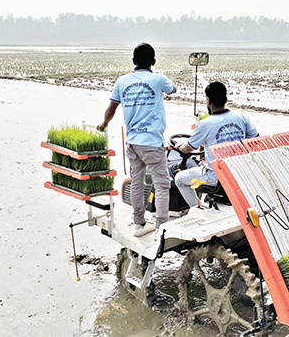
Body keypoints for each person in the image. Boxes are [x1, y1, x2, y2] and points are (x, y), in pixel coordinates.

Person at [97, 43, 177, 237]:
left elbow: (111, 110)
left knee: (137, 183)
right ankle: (162, 226)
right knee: (162, 184)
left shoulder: (122, 81)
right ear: (154, 62)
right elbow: (173, 89)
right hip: (152, 142)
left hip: (132, 142)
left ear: (133, 61)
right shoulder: (157, 79)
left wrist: (104, 124)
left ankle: (139, 224)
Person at [175, 81, 258, 207]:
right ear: (226, 99)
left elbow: (188, 149)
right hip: (237, 172)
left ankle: (197, 208)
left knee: (179, 179)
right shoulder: (240, 117)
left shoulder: (205, 124)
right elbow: (255, 139)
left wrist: (178, 146)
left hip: (215, 176)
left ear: (208, 100)